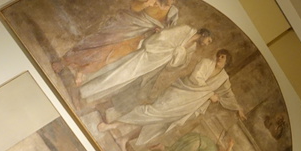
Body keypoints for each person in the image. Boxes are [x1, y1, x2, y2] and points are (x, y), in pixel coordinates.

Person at [99, 49, 246, 148]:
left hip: (189, 106)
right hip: (179, 93)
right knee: (152, 112)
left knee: (159, 126)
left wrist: (238, 108)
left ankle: (124, 139)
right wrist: (210, 94)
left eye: (223, 58)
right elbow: (195, 78)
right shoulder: (206, 63)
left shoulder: (223, 78)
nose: (219, 58)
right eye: (219, 56)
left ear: (227, 62)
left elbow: (228, 93)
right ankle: (113, 125)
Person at [55, 0, 179, 85]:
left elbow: (167, 29)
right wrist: (146, 4)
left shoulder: (171, 12)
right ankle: (64, 61)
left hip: (138, 34)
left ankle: (82, 71)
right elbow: (133, 6)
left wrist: (159, 30)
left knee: (113, 55)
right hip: (126, 24)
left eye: (174, 1)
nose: (172, 2)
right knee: (99, 42)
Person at [78, 26, 213, 103]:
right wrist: (167, 50)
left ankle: (89, 94)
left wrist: (179, 53)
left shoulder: (192, 48)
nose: (207, 44)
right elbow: (164, 36)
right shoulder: (185, 30)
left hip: (155, 64)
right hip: (149, 53)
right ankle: (85, 89)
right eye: (209, 40)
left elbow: (180, 64)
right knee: (119, 73)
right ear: (204, 34)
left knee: (125, 80)